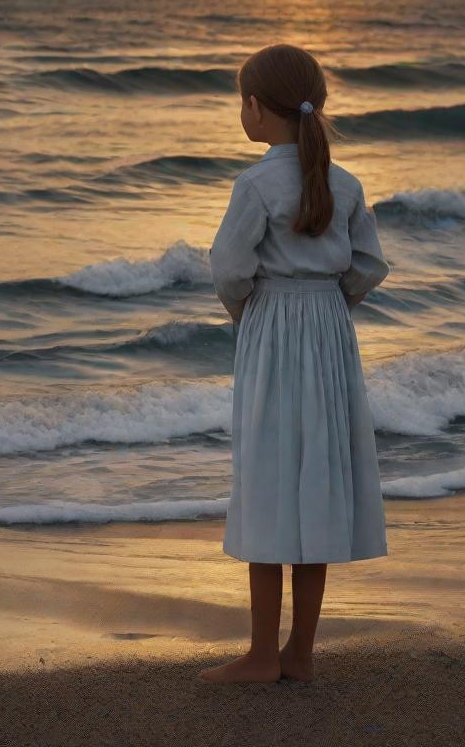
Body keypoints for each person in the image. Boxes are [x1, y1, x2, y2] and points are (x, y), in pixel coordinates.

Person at [198, 43, 390, 685]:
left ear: (255, 108)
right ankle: (299, 654)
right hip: (329, 333)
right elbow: (368, 264)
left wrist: (246, 312)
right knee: (317, 482)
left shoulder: (254, 183)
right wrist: (333, 307)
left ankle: (259, 654)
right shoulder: (344, 180)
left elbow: (228, 268)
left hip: (274, 330)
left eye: (240, 101)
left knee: (268, 477)